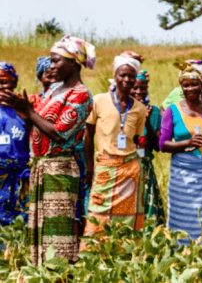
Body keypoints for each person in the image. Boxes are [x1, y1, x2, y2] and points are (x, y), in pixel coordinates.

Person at [0, 34, 95, 265]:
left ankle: (60, 276)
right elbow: (37, 124)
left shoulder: (80, 94)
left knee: (57, 232)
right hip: (42, 167)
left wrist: (28, 111)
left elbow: (59, 133)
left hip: (60, 168)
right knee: (41, 231)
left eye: (56, 61)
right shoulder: (55, 91)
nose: (51, 66)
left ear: (73, 62)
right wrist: (20, 108)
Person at [159, 62, 202, 249]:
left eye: (194, 84)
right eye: (186, 85)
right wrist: (186, 143)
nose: (190, 88)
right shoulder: (172, 110)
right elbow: (163, 144)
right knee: (183, 214)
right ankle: (182, 252)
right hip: (182, 174)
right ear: (181, 87)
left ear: (201, 84)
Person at [83, 54, 147, 240]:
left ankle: (123, 255)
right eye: (122, 75)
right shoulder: (99, 101)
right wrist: (89, 166)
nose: (127, 80)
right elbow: (88, 134)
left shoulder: (139, 109)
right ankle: (93, 255)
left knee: (127, 218)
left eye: (131, 76)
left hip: (130, 170)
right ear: (115, 76)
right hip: (105, 166)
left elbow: (135, 139)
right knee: (98, 215)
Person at [132, 70, 165, 225]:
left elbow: (157, 146)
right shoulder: (121, 110)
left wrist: (146, 122)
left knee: (147, 211)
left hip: (144, 167)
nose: (139, 91)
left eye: (143, 88)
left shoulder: (154, 111)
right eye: (135, 87)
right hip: (125, 166)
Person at [0, 62, 30, 227]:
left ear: (14, 83)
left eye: (4, 82)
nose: (1, 86)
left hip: (18, 176)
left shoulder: (24, 110)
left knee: (18, 222)